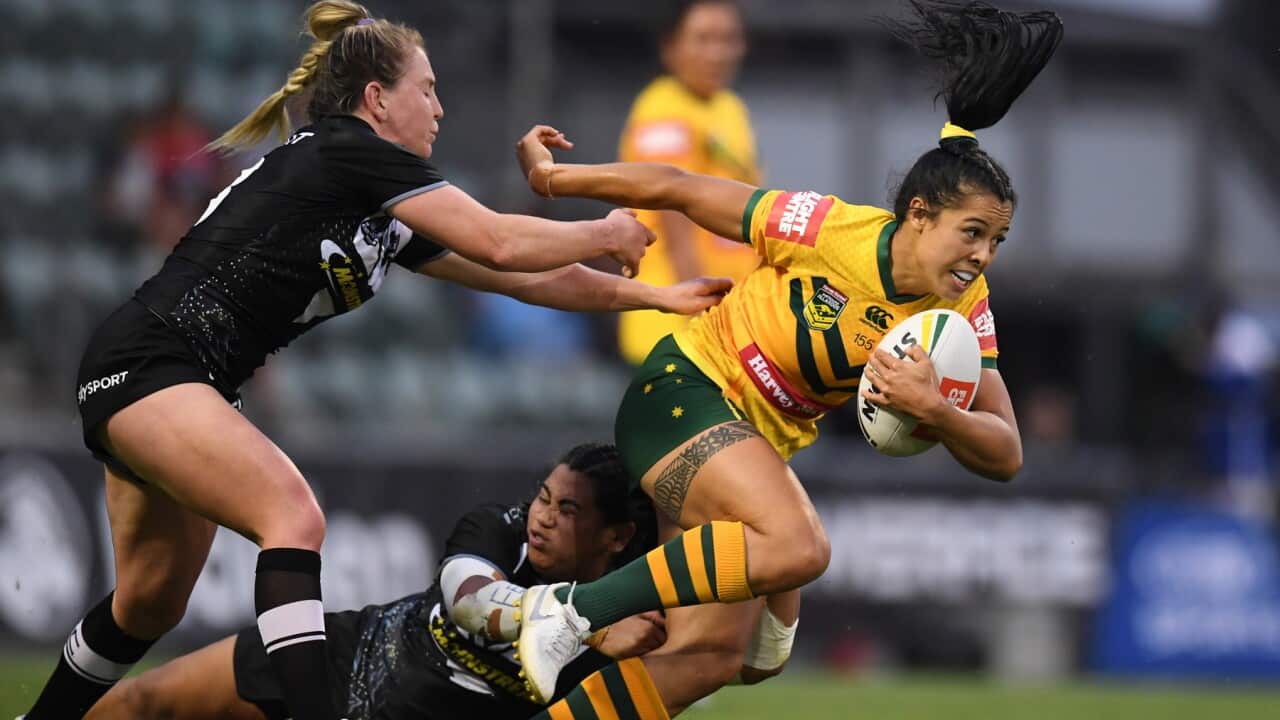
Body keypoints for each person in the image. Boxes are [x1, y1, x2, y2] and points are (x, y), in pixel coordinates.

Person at [21, 3, 733, 719]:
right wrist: (602, 229)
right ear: (376, 100)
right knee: (292, 516)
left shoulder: (377, 202)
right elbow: (503, 243)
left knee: (150, 602)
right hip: (152, 364)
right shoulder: (348, 152)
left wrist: (652, 296)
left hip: (172, 379)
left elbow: (523, 278)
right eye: (426, 89)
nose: (440, 107)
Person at [511, 0, 1064, 707]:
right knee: (802, 549)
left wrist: (937, 411)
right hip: (682, 392)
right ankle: (570, 610)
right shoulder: (825, 229)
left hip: (745, 442)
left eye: (997, 242)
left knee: (717, 657)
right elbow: (678, 189)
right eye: (972, 233)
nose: (982, 256)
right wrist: (554, 180)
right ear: (918, 216)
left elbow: (1006, 452)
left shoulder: (965, 302)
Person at [84, 444, 668, 720]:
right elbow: (469, 603)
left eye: (567, 511)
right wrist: (584, 627)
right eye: (543, 496)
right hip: (346, 656)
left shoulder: (635, 616)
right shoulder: (496, 526)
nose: (541, 516)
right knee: (144, 702)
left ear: (614, 537)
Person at [616, 0, 762, 365]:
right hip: (676, 327)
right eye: (703, 39)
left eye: (729, 39)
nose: (718, 53)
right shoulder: (662, 111)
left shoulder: (731, 109)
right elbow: (674, 215)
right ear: (670, 47)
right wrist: (711, 325)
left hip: (725, 320)